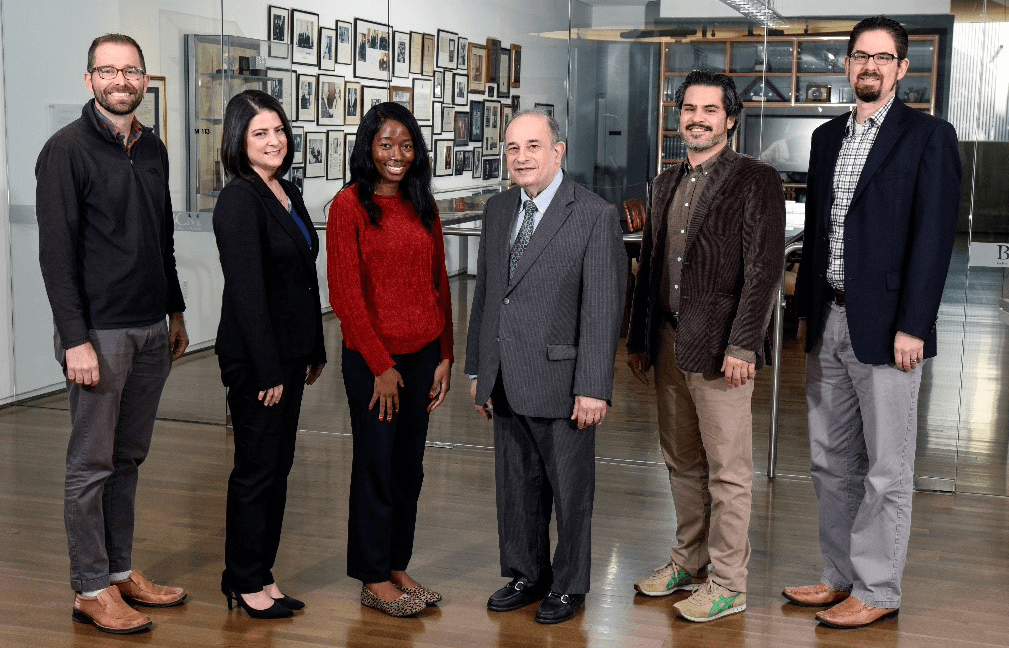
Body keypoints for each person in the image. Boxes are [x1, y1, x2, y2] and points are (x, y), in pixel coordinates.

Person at [785, 15, 962, 629]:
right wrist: (801, 316)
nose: (869, 66)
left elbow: (934, 238)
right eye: (860, 55)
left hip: (890, 328)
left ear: (901, 68)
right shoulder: (827, 137)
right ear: (847, 64)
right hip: (830, 319)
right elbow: (821, 234)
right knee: (831, 462)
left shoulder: (928, 136)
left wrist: (914, 324)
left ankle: (878, 589)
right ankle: (840, 577)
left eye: (882, 58)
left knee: (887, 469)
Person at [36, 33, 189, 635]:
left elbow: (162, 238)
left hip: (152, 329)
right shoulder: (65, 151)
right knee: (91, 465)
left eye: (130, 71)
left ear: (145, 80)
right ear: (88, 80)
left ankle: (120, 570)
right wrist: (74, 339)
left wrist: (175, 312)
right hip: (99, 335)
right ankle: (90, 588)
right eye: (108, 71)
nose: (120, 81)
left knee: (128, 459)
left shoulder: (152, 148)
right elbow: (55, 256)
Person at [625, 71, 784, 623]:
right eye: (688, 108)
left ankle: (728, 582)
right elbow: (648, 267)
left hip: (722, 351)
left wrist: (744, 344)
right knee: (681, 463)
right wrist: (639, 338)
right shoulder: (665, 182)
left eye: (709, 110)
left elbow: (763, 271)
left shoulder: (755, 179)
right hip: (669, 343)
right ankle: (686, 560)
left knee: (729, 472)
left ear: (730, 118)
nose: (696, 118)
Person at [465, 110, 625, 625]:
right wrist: (478, 370)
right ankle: (525, 574)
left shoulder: (594, 215)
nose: (522, 157)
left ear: (558, 152)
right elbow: (488, 296)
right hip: (506, 376)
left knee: (569, 492)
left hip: (564, 380)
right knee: (516, 487)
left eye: (533, 146)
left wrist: (594, 387)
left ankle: (570, 584)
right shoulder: (497, 210)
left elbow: (602, 311)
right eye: (513, 148)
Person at [327, 102, 453, 618]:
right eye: (386, 144)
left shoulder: (423, 203)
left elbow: (439, 282)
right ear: (368, 148)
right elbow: (345, 295)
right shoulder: (349, 206)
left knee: (409, 468)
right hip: (373, 364)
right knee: (376, 466)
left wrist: (445, 353)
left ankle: (397, 563)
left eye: (406, 145)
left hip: (423, 358)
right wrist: (381, 366)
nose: (397, 155)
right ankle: (373, 575)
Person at [212, 89, 326, 620]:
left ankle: (262, 572)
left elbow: (303, 279)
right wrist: (266, 368)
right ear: (239, 139)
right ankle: (242, 578)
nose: (274, 140)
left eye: (279, 130)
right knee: (256, 471)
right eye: (261, 133)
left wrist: (313, 347)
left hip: (288, 355)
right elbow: (247, 290)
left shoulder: (286, 190)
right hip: (258, 362)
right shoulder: (239, 199)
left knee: (278, 470)